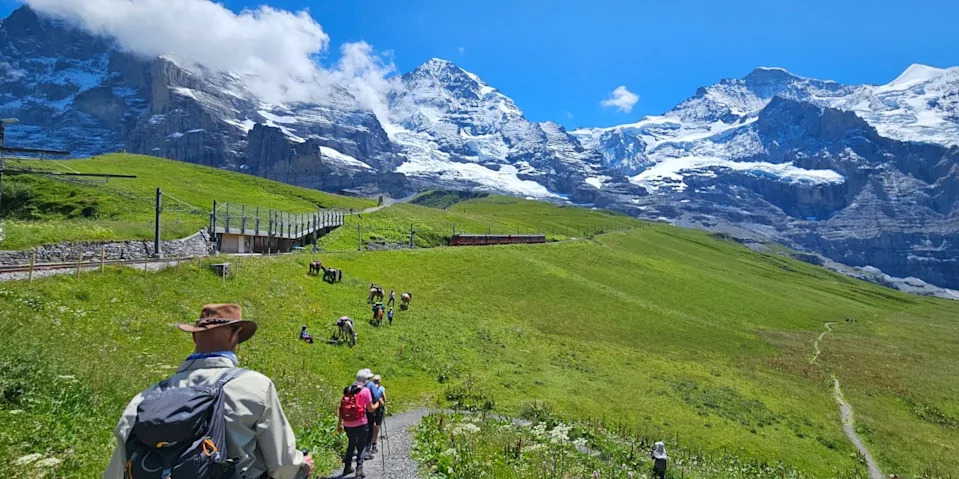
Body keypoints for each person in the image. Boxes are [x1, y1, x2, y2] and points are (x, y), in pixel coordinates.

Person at [104, 304, 314, 479]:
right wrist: (302, 465)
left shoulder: (146, 397)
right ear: (235, 336)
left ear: (195, 338)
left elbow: (116, 470)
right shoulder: (255, 386)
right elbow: (283, 467)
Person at [337, 369, 379, 478]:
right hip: (361, 423)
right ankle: (359, 469)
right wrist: (378, 404)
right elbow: (370, 409)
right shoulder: (365, 391)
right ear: (365, 380)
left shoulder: (348, 390)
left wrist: (339, 424)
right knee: (361, 446)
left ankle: (347, 467)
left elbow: (341, 408)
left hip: (347, 423)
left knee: (351, 444)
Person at [367, 375, 387, 454]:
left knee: (370, 426)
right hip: (378, 410)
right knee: (377, 427)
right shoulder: (381, 388)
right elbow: (385, 399)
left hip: (370, 409)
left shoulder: (369, 387)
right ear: (380, 381)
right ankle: (374, 445)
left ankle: (367, 445)